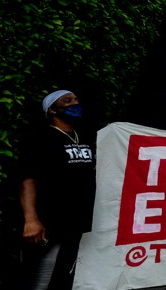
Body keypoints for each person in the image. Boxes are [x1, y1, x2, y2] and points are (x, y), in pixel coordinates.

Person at [19, 89, 96, 289]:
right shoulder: (42, 138)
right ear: (52, 110)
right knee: (39, 278)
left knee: (63, 276)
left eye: (76, 99)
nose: (74, 103)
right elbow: (28, 180)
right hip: (50, 222)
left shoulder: (83, 136)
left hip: (76, 223)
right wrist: (31, 219)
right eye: (67, 100)